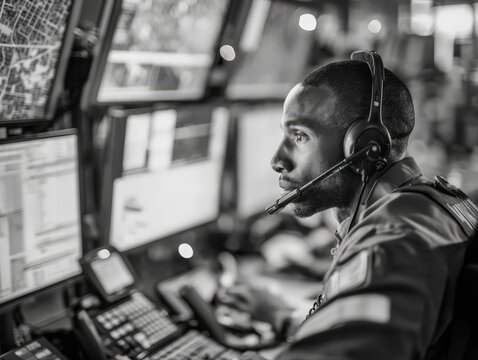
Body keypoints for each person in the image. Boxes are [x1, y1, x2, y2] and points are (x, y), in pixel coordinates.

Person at [220, 52, 478, 359]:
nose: (277, 161)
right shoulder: (420, 208)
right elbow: (360, 331)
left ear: (363, 147)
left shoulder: (394, 237)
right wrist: (282, 317)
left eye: (300, 136)